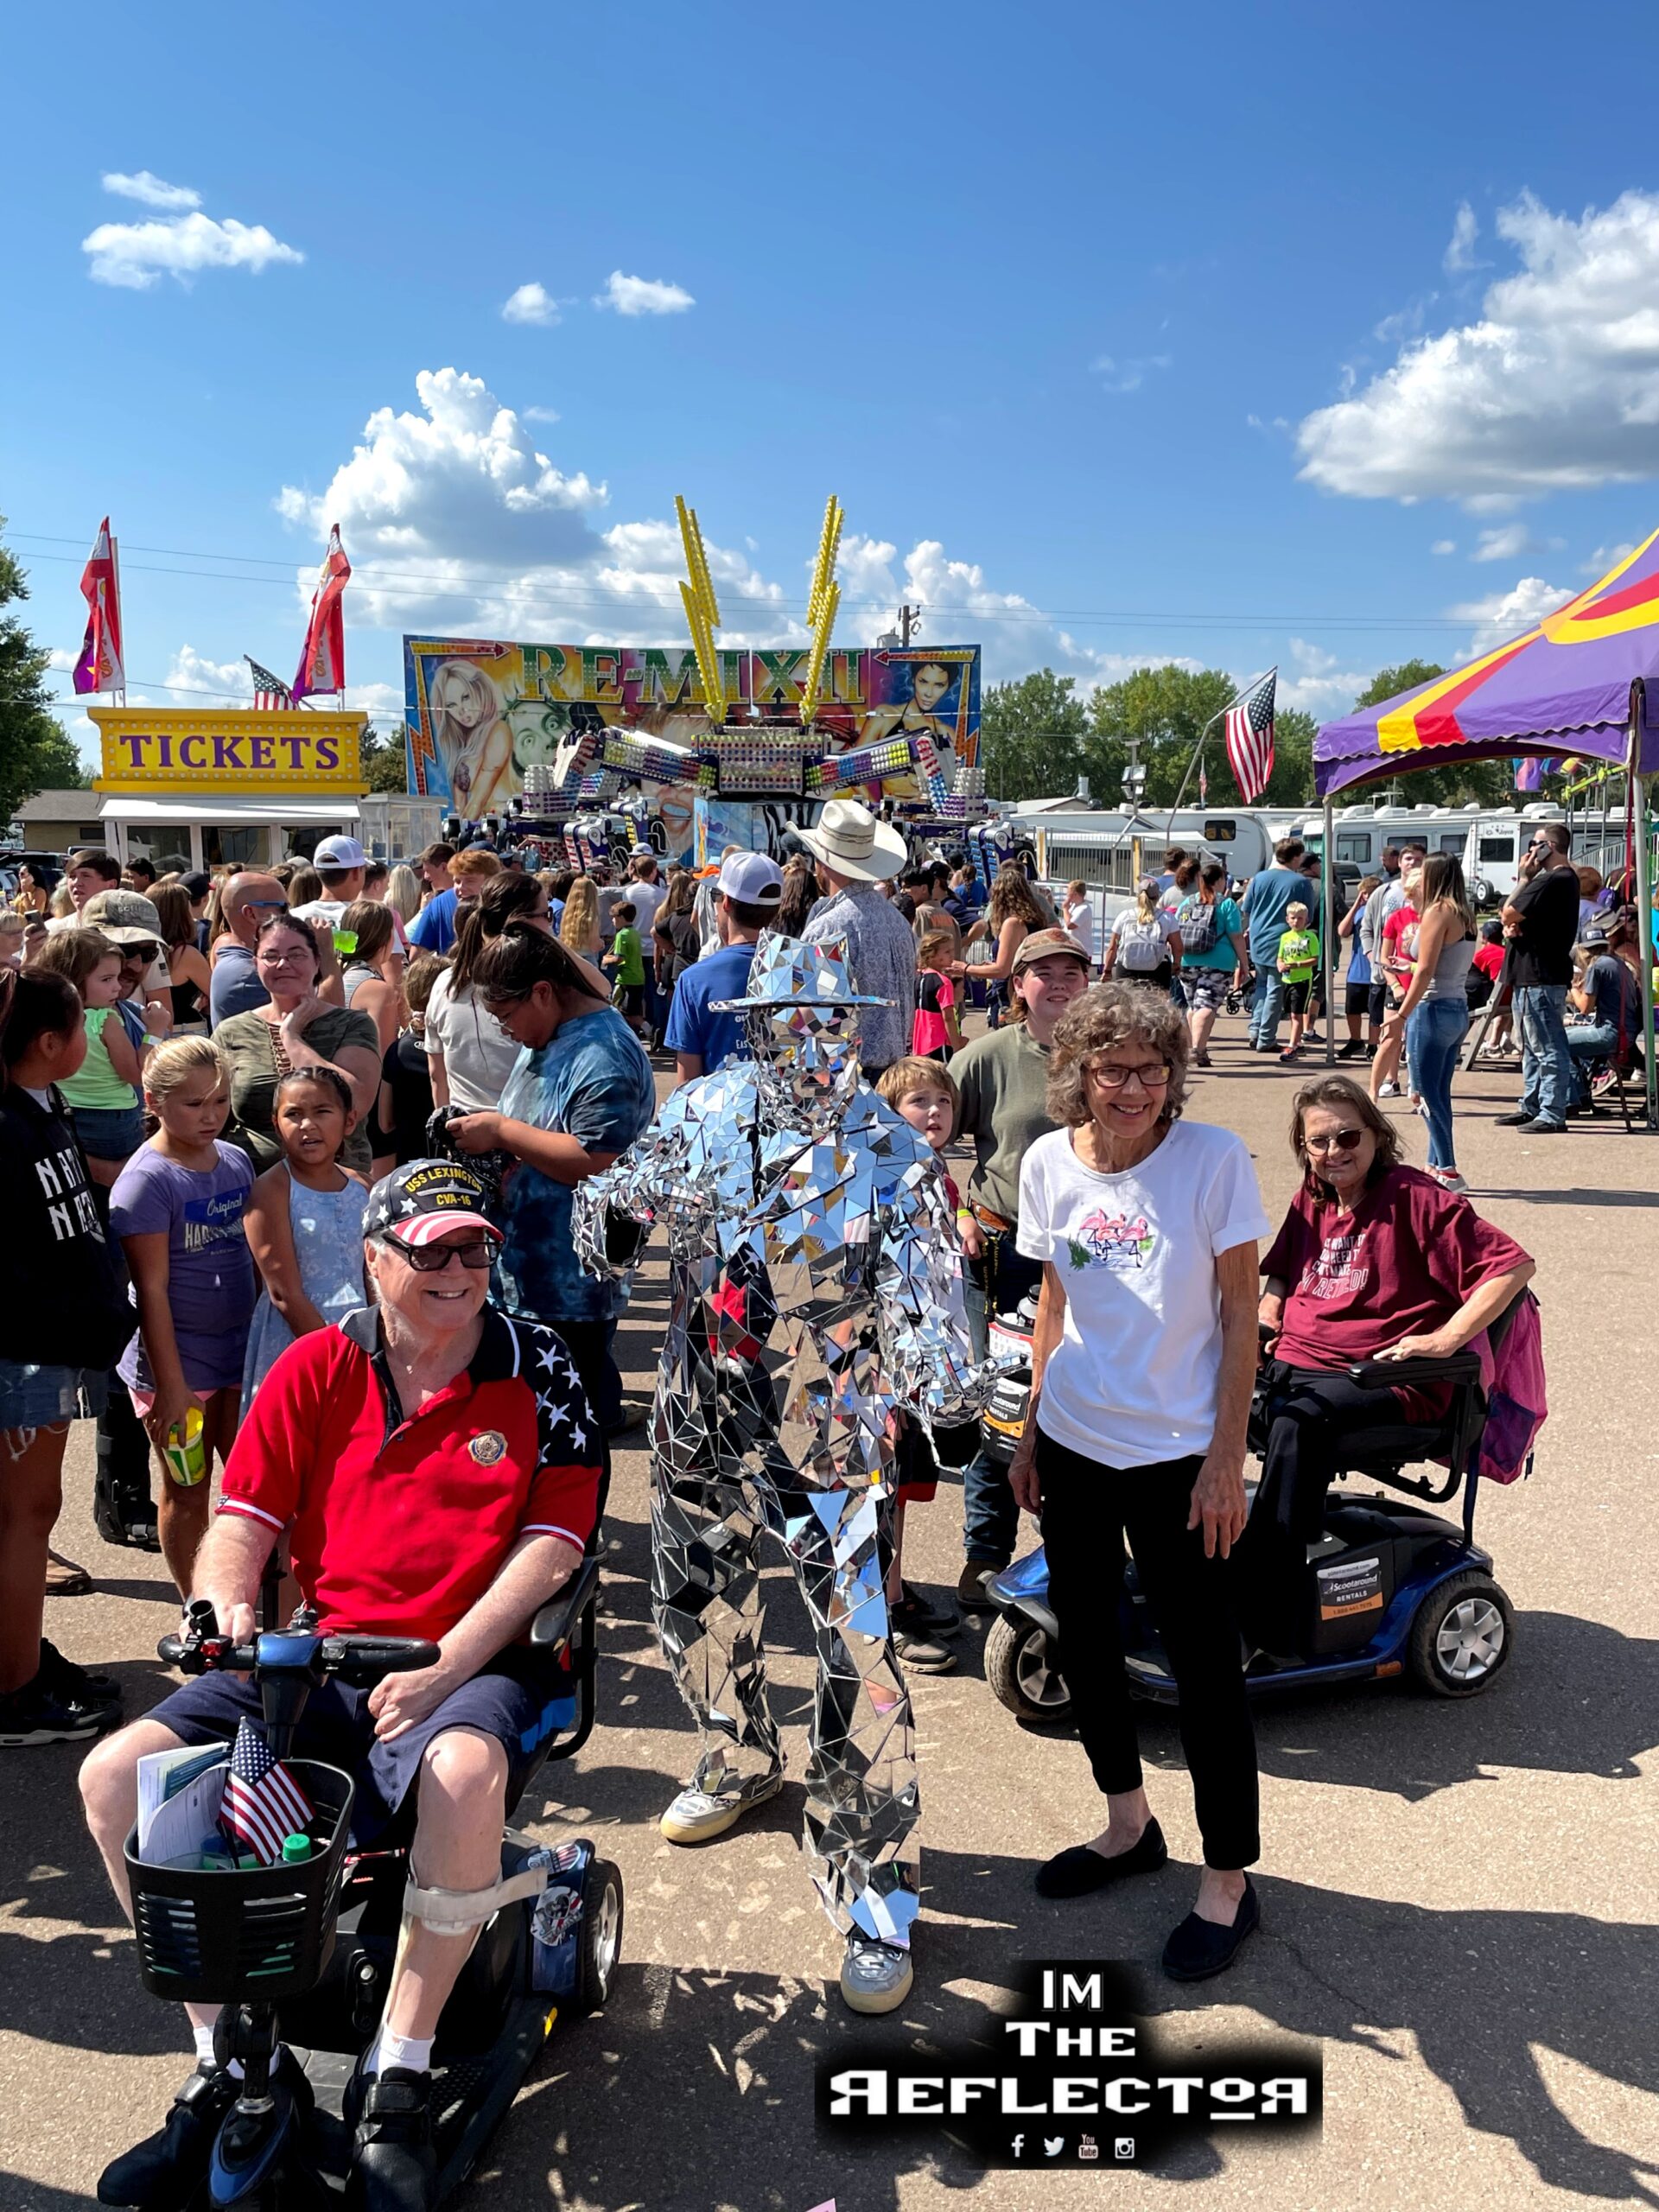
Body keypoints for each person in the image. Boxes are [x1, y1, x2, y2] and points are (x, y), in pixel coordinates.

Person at [79, 1160, 601, 2212]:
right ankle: (224, 2059)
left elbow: (553, 1545)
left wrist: (449, 1659)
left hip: (474, 1654)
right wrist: (226, 1602)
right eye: (431, 1250)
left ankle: (398, 2075)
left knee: (458, 1774)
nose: (458, 1271)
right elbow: (244, 1519)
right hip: (321, 1646)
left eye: (474, 1250)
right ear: (375, 1258)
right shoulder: (319, 1364)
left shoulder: (539, 1362)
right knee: (115, 1775)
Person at [574, 935, 989, 2015]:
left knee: (858, 1645)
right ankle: (737, 1749)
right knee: (696, 1598)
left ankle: (872, 1886)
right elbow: (614, 1210)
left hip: (829, 1429)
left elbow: (937, 1287)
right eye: (787, 1020)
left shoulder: (890, 1149)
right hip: (698, 1408)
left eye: (833, 1019)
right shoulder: (704, 1112)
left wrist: (949, 1400)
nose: (811, 1038)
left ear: (859, 1027)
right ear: (753, 1025)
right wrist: (615, 1220)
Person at [1009, 982, 1271, 1981]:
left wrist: (1223, 1456)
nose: (1134, 1089)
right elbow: (1052, 1302)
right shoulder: (1046, 1162)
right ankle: (1129, 1823)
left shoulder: (1209, 1160)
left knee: (1206, 1668)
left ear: (1175, 1075)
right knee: (1085, 1639)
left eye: (1153, 1070)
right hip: (1075, 1439)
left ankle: (1228, 1880)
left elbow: (1242, 1317)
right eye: (1113, 1068)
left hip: (1177, 1457)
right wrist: (1030, 1432)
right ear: (1078, 1070)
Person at [1248, 1075, 1534, 1650]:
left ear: (1377, 1136)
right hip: (1302, 1363)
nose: (1335, 1152)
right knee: (1190, 1391)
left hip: (1387, 1379)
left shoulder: (1415, 1198)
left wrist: (1445, 1339)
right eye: (1319, 1142)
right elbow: (1281, 1270)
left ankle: (1263, 1599)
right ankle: (1190, 1553)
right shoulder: (1314, 1193)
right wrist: (1266, 1317)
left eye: (1348, 1137)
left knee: (1295, 1422)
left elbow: (1512, 1267)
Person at [454, 925, 656, 1438]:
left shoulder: (603, 1054)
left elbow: (595, 1158)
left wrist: (499, 1129)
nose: (507, 1032)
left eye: (506, 1019)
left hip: (570, 1291)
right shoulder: (553, 1028)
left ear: (543, 992)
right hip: (528, 1276)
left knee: (571, 1441)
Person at [0, 969, 129, 1747]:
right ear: (51, 1045)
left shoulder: (44, 1105)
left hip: (55, 1343)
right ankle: (13, 1692)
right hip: (24, 1351)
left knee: (24, 1514)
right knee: (25, 1516)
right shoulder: (6, 1124)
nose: (92, 1040)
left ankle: (18, 1654)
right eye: (83, 1027)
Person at [949, 928, 1091, 1607]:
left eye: (1073, 971)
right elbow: (915, 1134)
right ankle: (986, 1555)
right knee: (1005, 1409)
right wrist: (958, 1212)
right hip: (1007, 1255)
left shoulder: (1106, 1057)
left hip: (1091, 1257)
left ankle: (1074, 1553)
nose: (1060, 983)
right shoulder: (987, 1058)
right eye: (1045, 972)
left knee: (1084, 1399)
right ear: (1017, 985)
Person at [107, 1038, 256, 1598]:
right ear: (153, 1101)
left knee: (249, 1488)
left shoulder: (237, 1160)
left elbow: (254, 1259)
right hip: (179, 1370)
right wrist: (171, 1387)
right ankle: (198, 1605)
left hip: (240, 1357)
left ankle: (242, 1592)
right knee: (188, 1490)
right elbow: (150, 1290)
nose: (211, 1114)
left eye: (220, 1099)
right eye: (194, 1103)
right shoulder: (146, 1181)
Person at [874, 1055, 981, 1674]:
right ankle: (879, 1611)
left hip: (925, 1354)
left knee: (902, 1487)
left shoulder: (933, 1167)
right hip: (885, 1360)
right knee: (877, 1485)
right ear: (889, 1113)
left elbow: (951, 1208)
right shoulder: (883, 1169)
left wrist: (963, 1217)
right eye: (919, 1103)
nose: (935, 1112)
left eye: (942, 1101)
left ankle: (893, 1588)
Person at [214, 915, 381, 1174]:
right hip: (254, 1186)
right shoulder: (232, 1031)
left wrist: (292, 1038)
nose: (283, 964)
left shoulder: (352, 1024)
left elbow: (356, 1102)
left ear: (317, 962)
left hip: (338, 1185)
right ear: (255, 962)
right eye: (271, 956)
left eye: (296, 955)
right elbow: (215, 1114)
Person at [241, 1065, 370, 1400]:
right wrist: (335, 1358)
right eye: (293, 1114)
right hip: (299, 1340)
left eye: (322, 1112)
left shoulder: (363, 1186)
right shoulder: (271, 1191)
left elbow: (375, 1274)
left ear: (349, 1120)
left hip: (364, 1338)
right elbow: (284, 1293)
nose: (307, 1125)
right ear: (276, 1124)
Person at [798, 798, 917, 1075]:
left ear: (821, 863)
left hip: (845, 1075)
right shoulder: (899, 922)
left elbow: (813, 1018)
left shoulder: (827, 928)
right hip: (897, 1070)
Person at [1382, 855, 1476, 1189]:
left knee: (1422, 1092)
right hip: (1456, 1006)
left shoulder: (1438, 911)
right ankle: (1436, 1162)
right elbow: (1443, 964)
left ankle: (1448, 1168)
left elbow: (1425, 970)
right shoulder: (1465, 912)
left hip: (1431, 1007)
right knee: (1439, 1092)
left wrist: (1402, 1014)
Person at [31, 926, 146, 1188]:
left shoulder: (45, 1021)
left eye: (117, 978)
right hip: (114, 1125)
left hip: (65, 1119)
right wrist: (154, 1031)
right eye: (106, 979)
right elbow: (137, 1073)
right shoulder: (105, 1020)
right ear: (72, 979)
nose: (117, 987)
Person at [425, 871, 549, 1115]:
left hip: (464, 1125)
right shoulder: (538, 987)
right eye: (546, 915)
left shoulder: (443, 984)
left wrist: (447, 1126)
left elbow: (436, 1072)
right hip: (527, 1131)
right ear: (521, 923)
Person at [664, 851, 784, 1083]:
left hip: (719, 1116)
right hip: (791, 1116)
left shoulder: (694, 980)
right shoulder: (805, 969)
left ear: (726, 902)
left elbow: (687, 1086)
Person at [1497, 823, 1580, 1135]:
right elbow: (1516, 919)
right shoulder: (1559, 881)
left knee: (1547, 1047)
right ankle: (1532, 1105)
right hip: (1532, 973)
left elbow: (1508, 911)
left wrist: (1524, 878)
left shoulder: (1554, 879)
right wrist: (1515, 927)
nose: (1530, 849)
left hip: (1540, 976)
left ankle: (1552, 1111)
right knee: (1531, 1048)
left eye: (1536, 843)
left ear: (1551, 847)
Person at [1175, 861, 1249, 1067]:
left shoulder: (1187, 902)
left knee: (1193, 1007)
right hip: (1218, 962)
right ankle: (1196, 1049)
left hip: (1188, 961)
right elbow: (1236, 936)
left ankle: (1201, 1049)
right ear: (1219, 880)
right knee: (1207, 1006)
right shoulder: (1226, 904)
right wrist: (1244, 963)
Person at [955, 865, 1046, 1027]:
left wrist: (965, 967)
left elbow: (1002, 970)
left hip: (1009, 997)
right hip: (1026, 993)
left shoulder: (1013, 924)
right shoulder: (1035, 920)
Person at [1242, 836, 1308, 1052]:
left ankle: (1256, 1030)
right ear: (1296, 858)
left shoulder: (1259, 878)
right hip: (1283, 941)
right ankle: (1266, 1038)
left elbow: (1247, 908)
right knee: (1275, 989)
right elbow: (1308, 914)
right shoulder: (1300, 882)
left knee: (1262, 985)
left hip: (1258, 937)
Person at [1566, 925, 1643, 1108]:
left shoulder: (1597, 966)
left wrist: (1573, 986)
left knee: (1556, 1042)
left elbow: (1584, 1007)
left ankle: (1574, 1099)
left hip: (1610, 1033)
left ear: (1584, 950)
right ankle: (1581, 1093)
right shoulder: (1618, 963)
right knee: (1570, 1036)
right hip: (1626, 1031)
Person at [379, 951, 443, 1165]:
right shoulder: (456, 1050)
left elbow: (385, 1122)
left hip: (410, 1170)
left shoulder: (396, 1052)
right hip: (451, 1167)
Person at [1371, 852, 1424, 1103]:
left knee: (1418, 1043)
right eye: (1411, 890)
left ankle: (1417, 1087)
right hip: (1397, 986)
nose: (1413, 895)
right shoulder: (1397, 918)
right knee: (1390, 1038)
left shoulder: (1432, 918)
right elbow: (1385, 957)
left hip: (1422, 988)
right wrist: (1393, 983)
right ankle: (1382, 1086)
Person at [208, 873, 289, 1028]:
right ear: (251, 914)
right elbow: (330, 1020)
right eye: (283, 907)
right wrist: (325, 954)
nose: (288, 916)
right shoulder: (252, 975)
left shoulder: (225, 944)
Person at [407, 848, 501, 956]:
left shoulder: (504, 909)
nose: (461, 887)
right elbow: (416, 955)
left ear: (490, 881)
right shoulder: (438, 905)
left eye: (470, 881)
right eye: (457, 881)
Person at [1103, 876, 1183, 992]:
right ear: (1157, 897)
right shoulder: (1167, 918)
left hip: (1127, 969)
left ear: (1138, 896)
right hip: (1159, 969)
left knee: (1127, 1005)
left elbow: (1112, 948)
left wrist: (1107, 970)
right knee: (1158, 1006)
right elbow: (1178, 947)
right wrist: (1176, 964)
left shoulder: (1124, 916)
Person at [152, 885, 212, 1035]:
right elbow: (217, 994)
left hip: (153, 1033)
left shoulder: (147, 952)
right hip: (188, 1032)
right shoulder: (185, 955)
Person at [1337, 875, 1380, 1061]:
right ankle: (1355, 1040)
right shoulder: (1359, 912)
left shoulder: (1382, 912)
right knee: (1352, 1009)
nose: (1366, 898)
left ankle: (1373, 1043)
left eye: (1369, 894)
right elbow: (1342, 931)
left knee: (1374, 1011)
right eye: (1364, 894)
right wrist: (1356, 905)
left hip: (1375, 969)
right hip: (1357, 969)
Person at [1274, 902, 1320, 1062]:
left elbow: (1315, 959)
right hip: (1287, 979)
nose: (1296, 922)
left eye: (1300, 918)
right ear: (1287, 919)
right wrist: (1280, 964)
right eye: (1293, 918)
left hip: (1302, 980)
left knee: (1296, 1014)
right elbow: (1280, 956)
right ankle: (1298, 1043)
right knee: (1292, 1014)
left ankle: (1292, 1046)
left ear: (1306, 920)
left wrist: (1298, 965)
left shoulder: (1310, 937)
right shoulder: (1285, 937)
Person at [912, 927, 964, 1060]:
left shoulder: (919, 978)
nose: (952, 955)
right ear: (931, 955)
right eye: (947, 952)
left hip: (920, 1043)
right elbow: (948, 1017)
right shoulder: (943, 982)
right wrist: (956, 1045)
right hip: (938, 1042)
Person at [602, 899, 650, 1039]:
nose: (612, 921)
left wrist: (607, 959)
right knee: (632, 1010)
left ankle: (647, 1030)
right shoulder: (634, 932)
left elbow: (619, 958)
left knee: (619, 1009)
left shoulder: (621, 935)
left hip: (625, 979)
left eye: (614, 917)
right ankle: (643, 1030)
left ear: (621, 918)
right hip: (638, 977)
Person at [558, 876, 606, 978]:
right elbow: (594, 945)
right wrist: (601, 943)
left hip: (570, 959)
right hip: (587, 960)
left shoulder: (567, 914)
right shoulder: (592, 917)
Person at [1061, 880, 1096, 969]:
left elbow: (1070, 925)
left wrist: (1065, 909)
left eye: (1068, 892)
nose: (1067, 895)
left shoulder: (1084, 909)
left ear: (1075, 894)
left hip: (1082, 950)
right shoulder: (1074, 906)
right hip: (1071, 948)